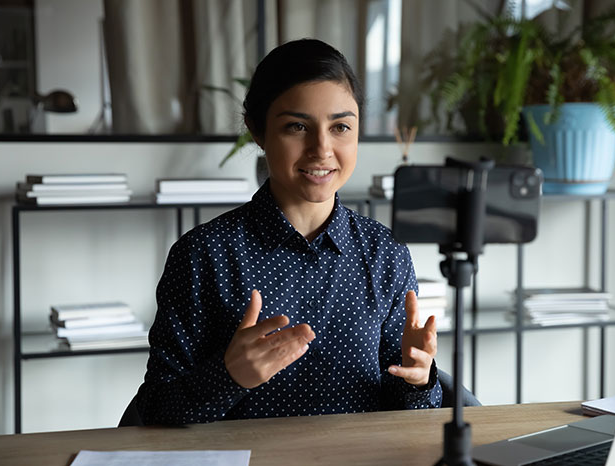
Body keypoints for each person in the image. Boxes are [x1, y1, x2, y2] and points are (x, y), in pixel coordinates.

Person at [134, 38, 443, 425]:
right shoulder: (203, 254)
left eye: (341, 126)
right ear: (257, 130)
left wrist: (418, 382)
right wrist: (229, 377)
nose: (322, 149)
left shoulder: (386, 252)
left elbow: (411, 419)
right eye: (297, 126)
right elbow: (153, 413)